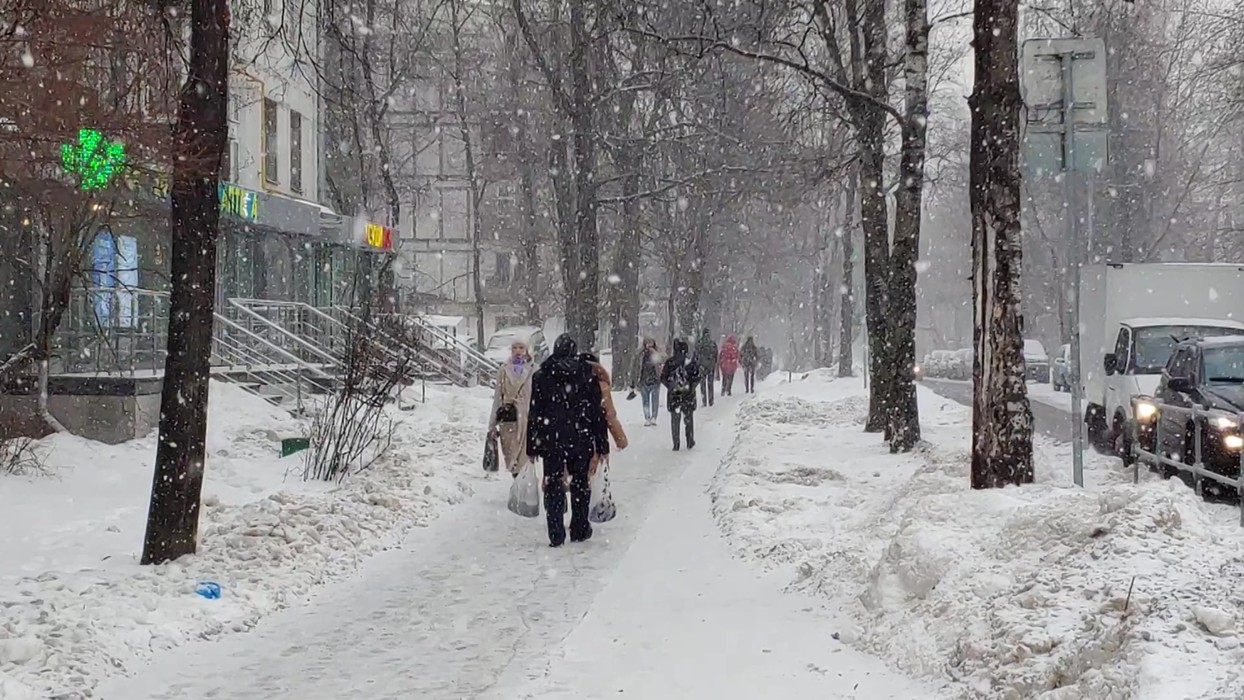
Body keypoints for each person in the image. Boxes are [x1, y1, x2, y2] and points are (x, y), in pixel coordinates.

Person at [527, 334, 608, 547]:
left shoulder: (542, 376)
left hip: (551, 438)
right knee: (580, 482)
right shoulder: (587, 374)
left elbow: (534, 413)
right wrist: (602, 444)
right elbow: (596, 413)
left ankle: (556, 531)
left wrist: (532, 446)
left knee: (553, 483)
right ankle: (579, 527)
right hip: (581, 437)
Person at [488, 339, 535, 476]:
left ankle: (523, 489)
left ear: (527, 349)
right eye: (515, 347)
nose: (518, 351)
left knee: (525, 459)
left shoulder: (534, 369)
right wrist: (492, 424)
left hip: (527, 418)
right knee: (511, 457)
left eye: (521, 347)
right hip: (509, 419)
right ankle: (517, 484)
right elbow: (498, 397)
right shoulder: (503, 370)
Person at [661, 338, 703, 451]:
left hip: (674, 396)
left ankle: (676, 442)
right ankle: (690, 440)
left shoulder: (670, 363)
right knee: (688, 418)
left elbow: (663, 378)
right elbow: (698, 376)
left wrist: (672, 387)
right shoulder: (690, 363)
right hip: (688, 395)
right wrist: (691, 387)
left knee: (675, 419)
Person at [631, 337, 664, 426]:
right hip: (643, 380)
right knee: (645, 400)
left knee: (654, 400)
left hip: (655, 380)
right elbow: (635, 369)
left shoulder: (657, 355)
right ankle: (647, 417)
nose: (649, 345)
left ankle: (653, 417)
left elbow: (661, 364)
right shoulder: (640, 355)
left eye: (651, 343)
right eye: (647, 343)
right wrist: (633, 382)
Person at [694, 328, 719, 407]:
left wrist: (698, 363)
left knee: (702, 384)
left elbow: (696, 355)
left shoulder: (699, 343)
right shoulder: (712, 343)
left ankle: (704, 401)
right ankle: (711, 401)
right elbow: (716, 354)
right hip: (710, 366)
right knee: (710, 383)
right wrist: (714, 363)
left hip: (702, 366)